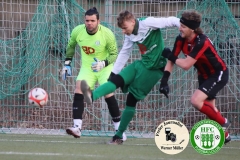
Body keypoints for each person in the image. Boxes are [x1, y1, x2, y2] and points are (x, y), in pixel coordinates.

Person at [80, 10, 180, 144]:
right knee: (116, 80)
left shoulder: (148, 23)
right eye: (122, 29)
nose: (124, 31)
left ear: (133, 22)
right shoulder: (129, 35)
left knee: (131, 99)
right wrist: (114, 73)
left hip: (154, 70)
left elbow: (171, 21)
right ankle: (91, 96)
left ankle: (119, 135)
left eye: (125, 28)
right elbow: (124, 53)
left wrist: (184, 26)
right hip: (142, 64)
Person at [160, 10, 231, 144]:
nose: (180, 28)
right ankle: (225, 135)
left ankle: (224, 122)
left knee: (195, 101)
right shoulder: (180, 39)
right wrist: (164, 81)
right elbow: (171, 61)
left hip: (217, 74)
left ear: (192, 29)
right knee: (210, 110)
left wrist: (170, 56)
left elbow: (186, 65)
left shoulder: (201, 41)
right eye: (180, 24)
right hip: (203, 75)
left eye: (183, 26)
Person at [62, 7, 126, 141]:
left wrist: (103, 63)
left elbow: (114, 54)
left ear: (98, 21)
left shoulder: (107, 34)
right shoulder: (77, 31)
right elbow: (71, 46)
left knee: (108, 93)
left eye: (92, 20)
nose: (89, 23)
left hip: (105, 68)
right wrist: (67, 63)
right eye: (87, 20)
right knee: (78, 88)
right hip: (87, 68)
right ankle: (77, 128)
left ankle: (119, 131)